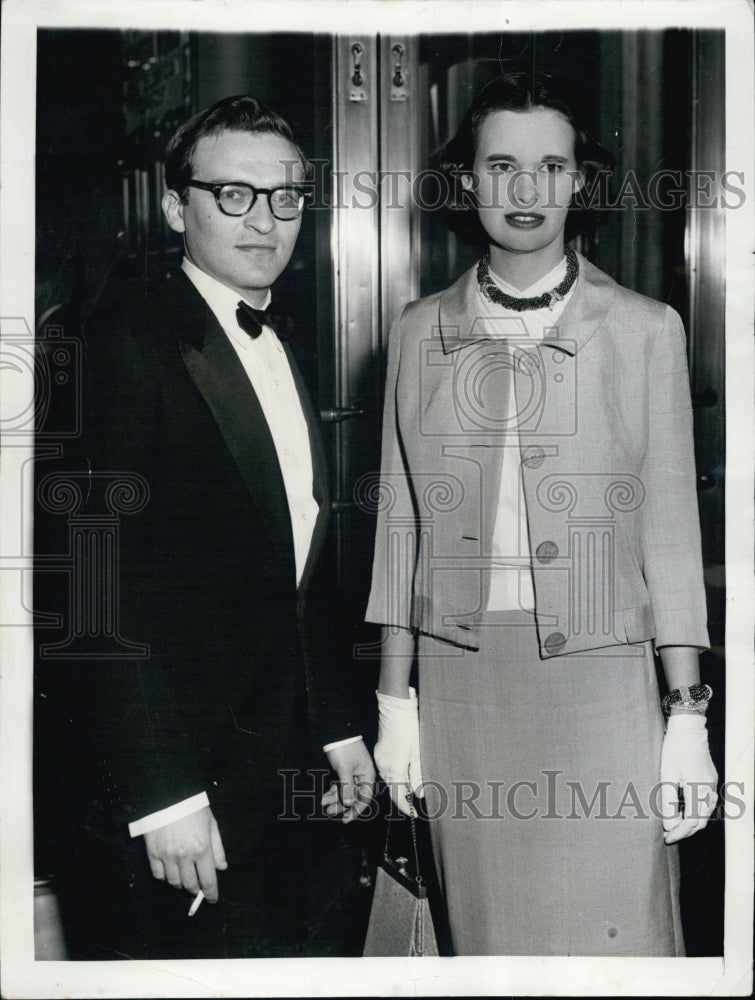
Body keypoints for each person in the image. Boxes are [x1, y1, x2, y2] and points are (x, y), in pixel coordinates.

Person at [365, 72, 718, 956]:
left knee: (618, 944)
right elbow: (399, 525)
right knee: (488, 945)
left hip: (602, 686)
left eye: (551, 166)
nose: (526, 191)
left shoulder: (645, 330)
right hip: (462, 688)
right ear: (469, 181)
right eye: (501, 166)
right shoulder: (415, 330)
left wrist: (687, 717)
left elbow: (670, 533)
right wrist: (392, 699)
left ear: (579, 182)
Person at [54, 95, 374, 959]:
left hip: (285, 776)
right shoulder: (117, 346)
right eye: (232, 194)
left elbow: (296, 570)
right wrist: (161, 796)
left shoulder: (284, 341)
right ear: (173, 207)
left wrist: (340, 728)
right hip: (181, 799)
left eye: (285, 196)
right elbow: (88, 589)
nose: (264, 219)